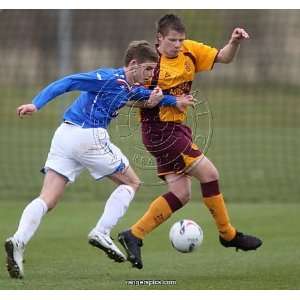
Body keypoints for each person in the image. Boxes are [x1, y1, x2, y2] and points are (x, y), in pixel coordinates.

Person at [4, 40, 194, 279]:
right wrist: (36, 104)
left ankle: (18, 241)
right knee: (131, 183)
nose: (150, 74)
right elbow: (69, 82)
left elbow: (143, 95)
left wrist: (171, 101)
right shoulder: (107, 78)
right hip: (88, 135)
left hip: (64, 136)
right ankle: (102, 232)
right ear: (133, 64)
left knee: (48, 199)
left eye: (152, 70)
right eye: (147, 69)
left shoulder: (126, 85)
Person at [118, 14, 263, 269]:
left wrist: (234, 42)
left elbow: (224, 57)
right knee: (210, 173)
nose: (177, 44)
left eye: (180, 40)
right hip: (159, 132)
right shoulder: (150, 64)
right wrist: (155, 101)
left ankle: (134, 234)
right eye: (172, 40)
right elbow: (127, 95)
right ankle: (228, 234)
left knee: (181, 194)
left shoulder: (190, 51)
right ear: (159, 39)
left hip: (178, 129)